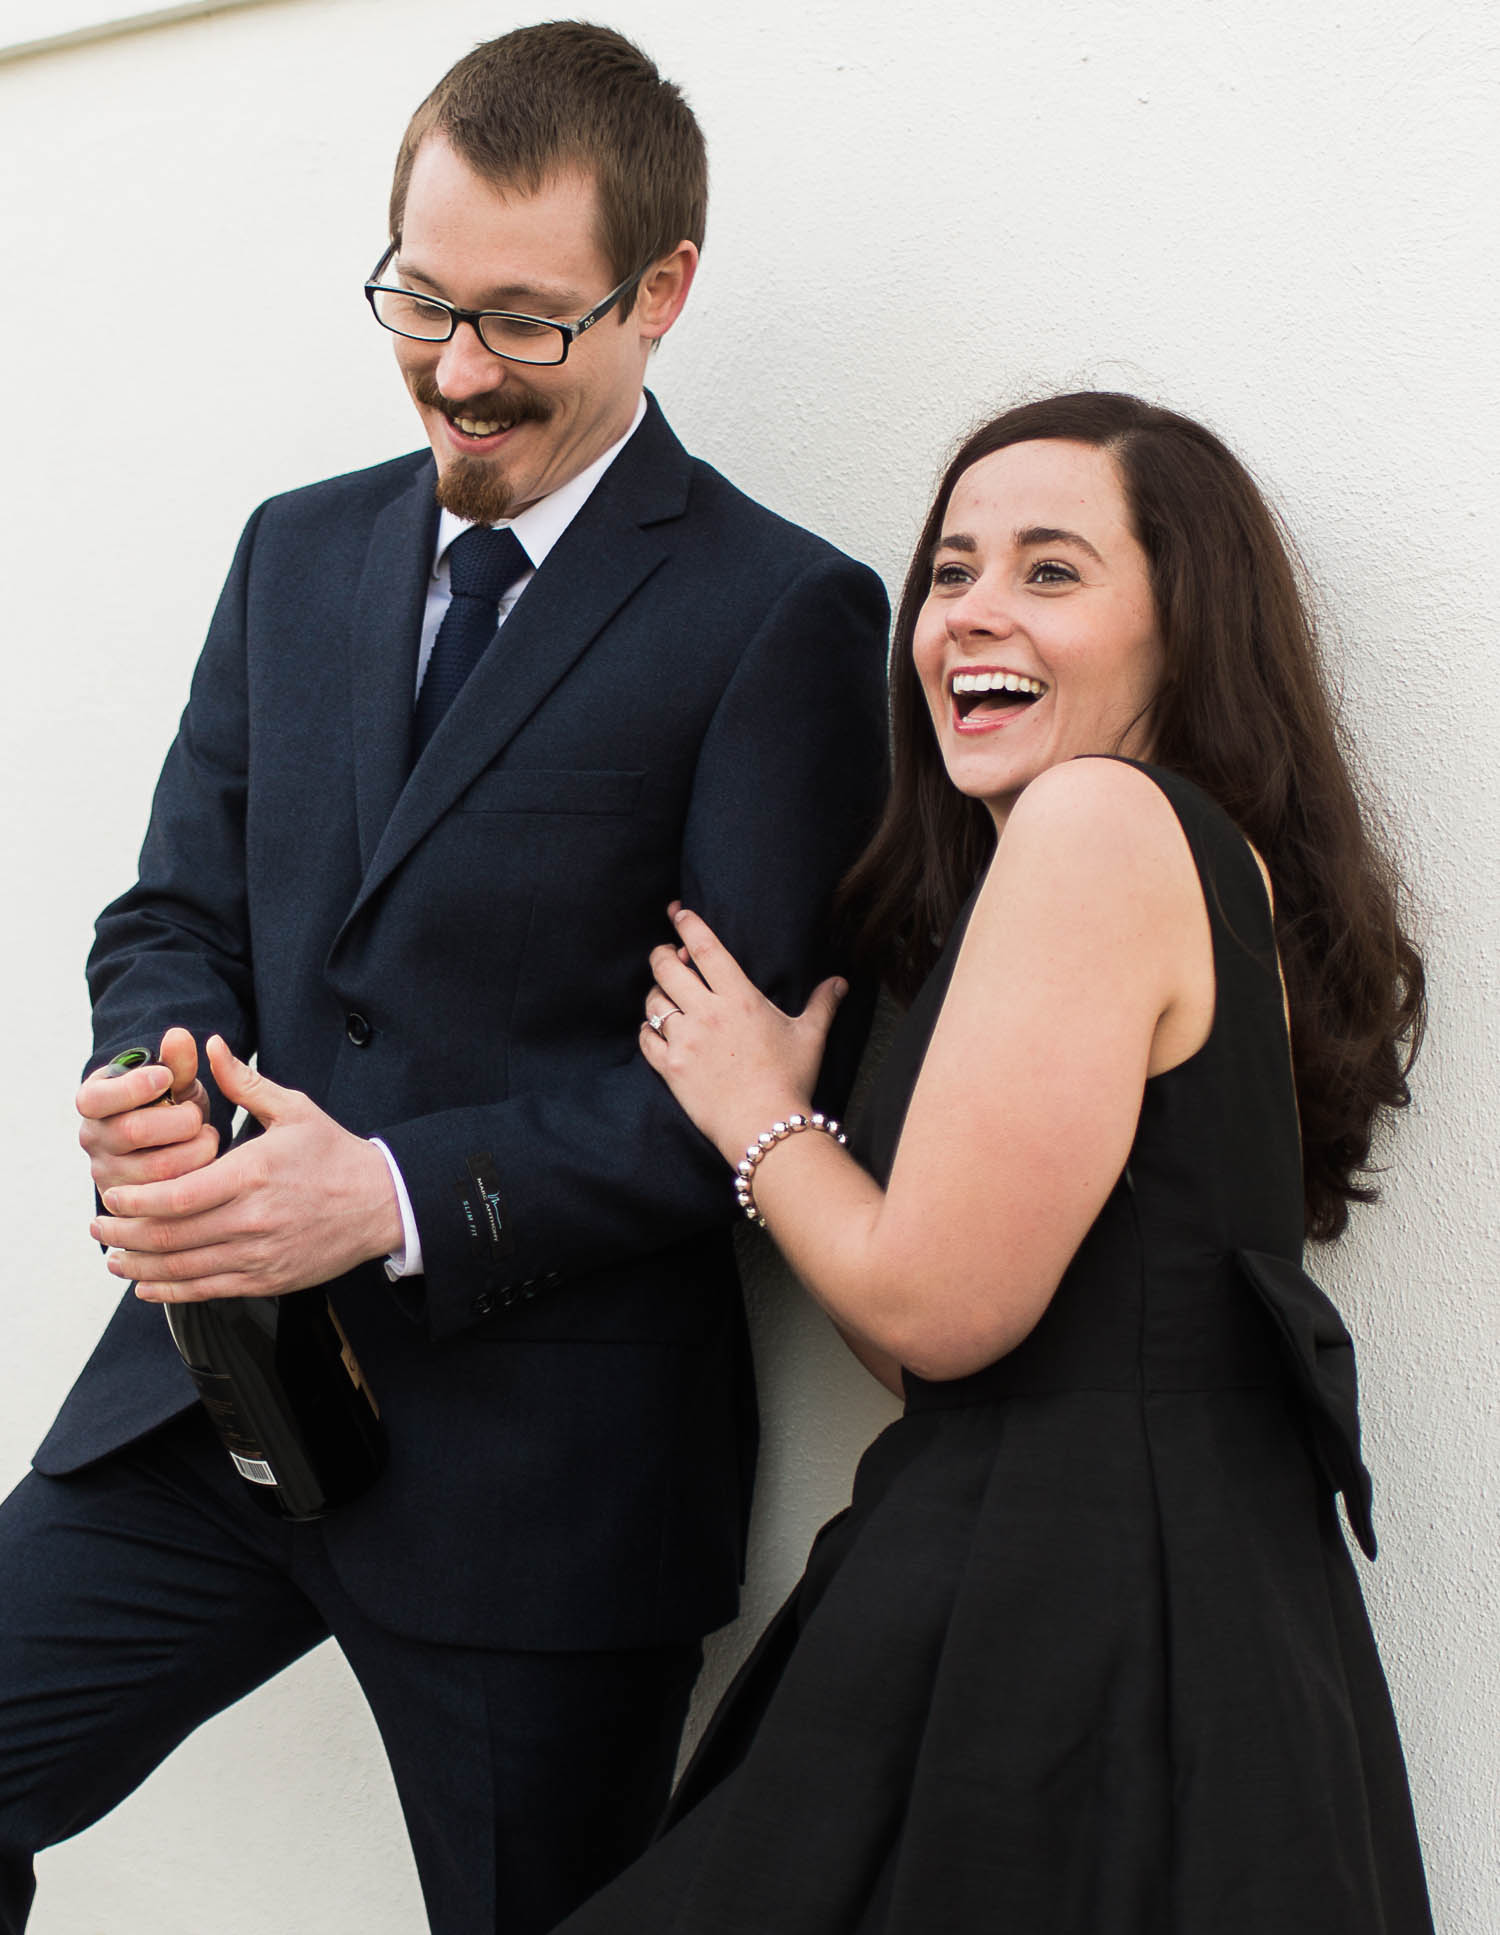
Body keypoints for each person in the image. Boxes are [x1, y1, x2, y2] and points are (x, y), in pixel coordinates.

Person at [0, 22, 890, 1935]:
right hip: (207, 1405)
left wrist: (385, 1197)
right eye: (420, 299)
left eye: (522, 321)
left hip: (546, 1485)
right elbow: (171, 912)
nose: (458, 370)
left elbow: (734, 1097)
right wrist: (150, 1091)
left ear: (661, 293)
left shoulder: (781, 615)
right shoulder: (294, 552)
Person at [556, 391, 1434, 1935]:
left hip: (1063, 1639)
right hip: (1165, 1616)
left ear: (1188, 624)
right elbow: (958, 1349)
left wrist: (754, 1112)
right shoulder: (1186, 854)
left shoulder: (1095, 824)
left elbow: (933, 1311)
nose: (971, 615)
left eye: (1050, 571)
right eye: (950, 570)